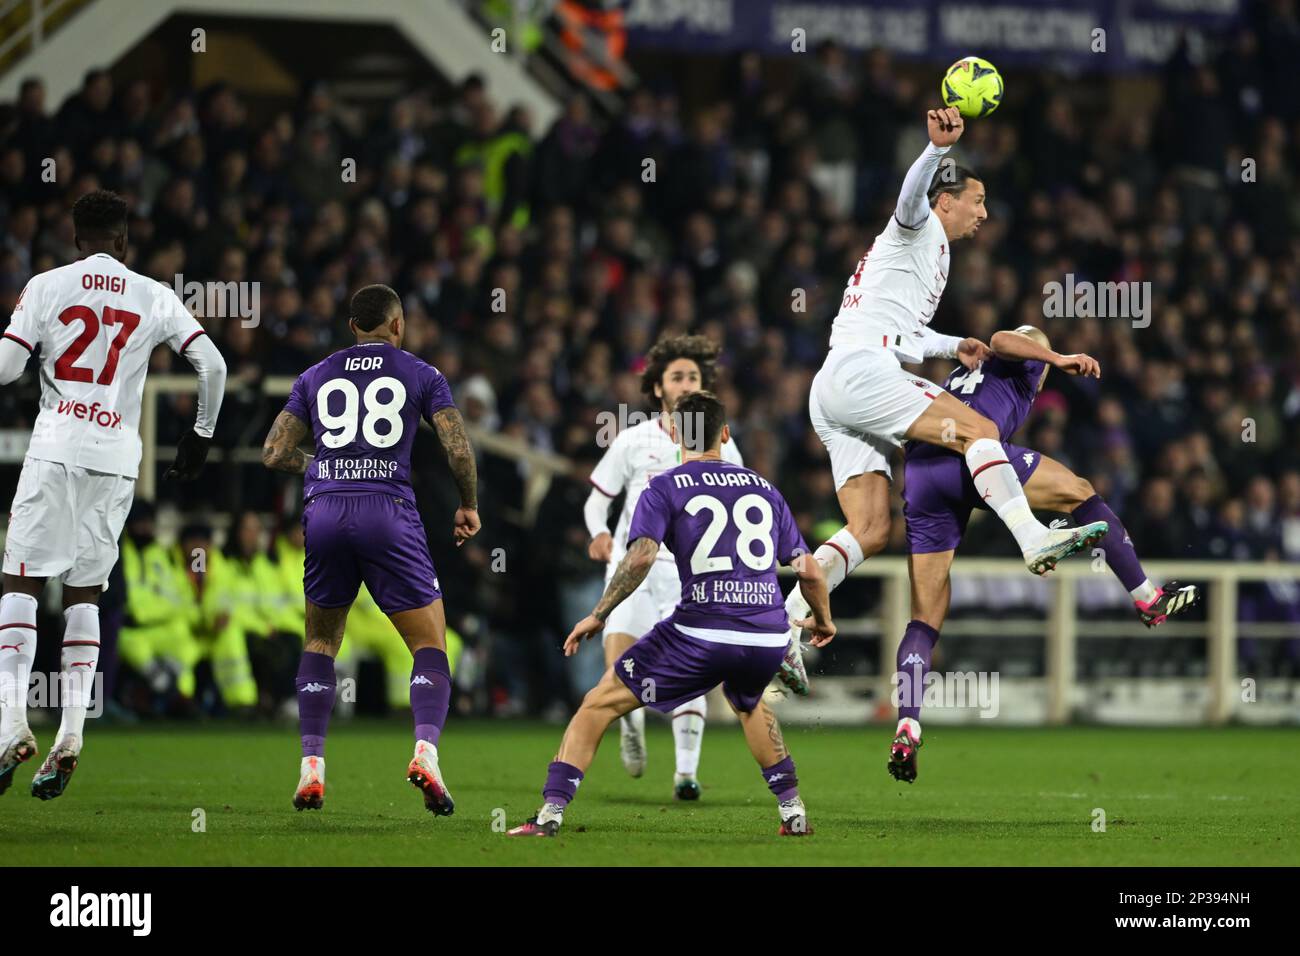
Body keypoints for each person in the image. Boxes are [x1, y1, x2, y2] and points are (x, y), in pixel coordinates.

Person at [778, 109, 1107, 696]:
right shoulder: (917, 227)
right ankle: (1031, 537)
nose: (983, 212)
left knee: (873, 528)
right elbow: (909, 200)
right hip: (863, 371)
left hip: (834, 386)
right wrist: (934, 151)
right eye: (976, 200)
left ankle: (783, 625)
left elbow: (904, 331)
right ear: (945, 200)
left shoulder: (934, 258)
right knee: (981, 430)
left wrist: (955, 344)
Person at [509, 391, 834, 838]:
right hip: (765, 635)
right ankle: (793, 812)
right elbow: (809, 570)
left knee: (597, 704)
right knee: (751, 703)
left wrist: (600, 613)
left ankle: (548, 816)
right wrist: (823, 619)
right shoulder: (765, 488)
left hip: (700, 630)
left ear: (677, 434)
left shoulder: (662, 486)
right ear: (724, 433)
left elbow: (641, 558)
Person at [890, 326, 1200, 781]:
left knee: (924, 618)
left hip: (920, 473)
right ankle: (1146, 597)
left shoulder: (960, 376)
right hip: (970, 454)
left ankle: (907, 723)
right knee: (1080, 492)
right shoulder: (1022, 362)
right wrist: (1055, 355)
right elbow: (1002, 338)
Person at [0, 189, 226, 799]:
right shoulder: (153, 294)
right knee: (85, 594)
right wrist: (200, 436)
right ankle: (71, 732)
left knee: (20, 582)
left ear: (76, 239)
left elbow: (7, 369)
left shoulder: (47, 284)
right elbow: (215, 365)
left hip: (53, 451)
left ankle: (10, 724)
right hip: (117, 459)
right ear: (124, 241)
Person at [261, 283, 479, 814]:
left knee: (320, 641)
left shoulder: (314, 375)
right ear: (397, 326)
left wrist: (323, 467)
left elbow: (273, 452)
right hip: (388, 512)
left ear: (351, 325)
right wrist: (468, 504)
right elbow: (456, 446)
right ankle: (425, 752)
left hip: (326, 511)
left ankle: (311, 767)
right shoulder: (422, 374)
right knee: (430, 644)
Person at [583, 334, 743, 799]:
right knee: (620, 662)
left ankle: (685, 774)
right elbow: (598, 503)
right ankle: (630, 721)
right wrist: (599, 533)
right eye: (677, 376)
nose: (686, 382)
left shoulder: (720, 443)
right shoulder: (633, 440)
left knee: (690, 667)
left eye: (693, 376)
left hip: (688, 571)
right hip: (633, 565)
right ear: (657, 388)